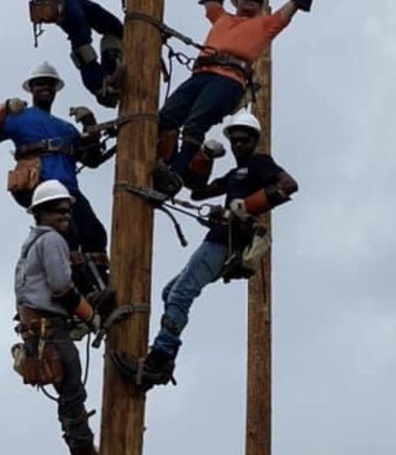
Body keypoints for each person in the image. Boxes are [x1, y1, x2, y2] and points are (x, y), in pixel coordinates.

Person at [112, 109, 297, 390]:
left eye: (244, 140)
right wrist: (204, 157)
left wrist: (245, 207)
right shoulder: (235, 174)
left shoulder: (260, 163)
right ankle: (166, 357)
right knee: (170, 292)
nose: (238, 145)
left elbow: (288, 185)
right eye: (235, 140)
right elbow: (198, 192)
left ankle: (158, 358)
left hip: (227, 242)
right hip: (219, 238)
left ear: (255, 141)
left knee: (180, 294)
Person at [152, 0, 325, 196]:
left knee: (195, 125)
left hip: (229, 80)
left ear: (261, 4)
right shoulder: (221, 18)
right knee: (165, 119)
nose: (249, 0)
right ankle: (158, 166)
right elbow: (211, 0)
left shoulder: (266, 25)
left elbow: (294, 5)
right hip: (201, 75)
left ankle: (175, 176)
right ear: (237, 0)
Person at [13, 179, 126, 455]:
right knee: (73, 392)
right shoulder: (51, 241)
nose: (64, 216)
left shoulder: (33, 242)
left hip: (40, 328)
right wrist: (92, 317)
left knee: (70, 393)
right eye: (57, 211)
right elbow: (62, 288)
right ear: (41, 214)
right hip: (49, 328)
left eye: (66, 211)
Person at [0, 61, 114, 297]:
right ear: (31, 88)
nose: (46, 88)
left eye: (50, 84)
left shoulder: (67, 129)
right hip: (42, 186)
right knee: (68, 233)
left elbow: (92, 160)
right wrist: (5, 107)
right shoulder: (20, 118)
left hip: (69, 189)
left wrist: (90, 125)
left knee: (94, 233)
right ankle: (85, 290)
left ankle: (100, 284)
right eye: (40, 84)